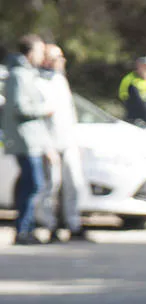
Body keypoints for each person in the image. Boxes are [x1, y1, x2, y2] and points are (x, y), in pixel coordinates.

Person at [1, 34, 53, 246]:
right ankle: (23, 230)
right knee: (33, 185)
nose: (42, 57)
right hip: (25, 141)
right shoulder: (19, 76)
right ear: (30, 52)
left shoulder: (29, 74)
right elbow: (19, 107)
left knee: (30, 184)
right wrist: (44, 110)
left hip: (33, 140)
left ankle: (26, 229)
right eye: (40, 52)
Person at [35, 43, 87, 242]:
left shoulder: (60, 80)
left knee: (73, 183)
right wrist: (46, 146)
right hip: (50, 144)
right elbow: (40, 119)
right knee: (52, 186)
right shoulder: (37, 81)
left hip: (68, 142)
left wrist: (76, 141)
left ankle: (74, 224)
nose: (61, 61)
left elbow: (70, 114)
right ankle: (50, 225)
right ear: (47, 59)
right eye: (57, 58)